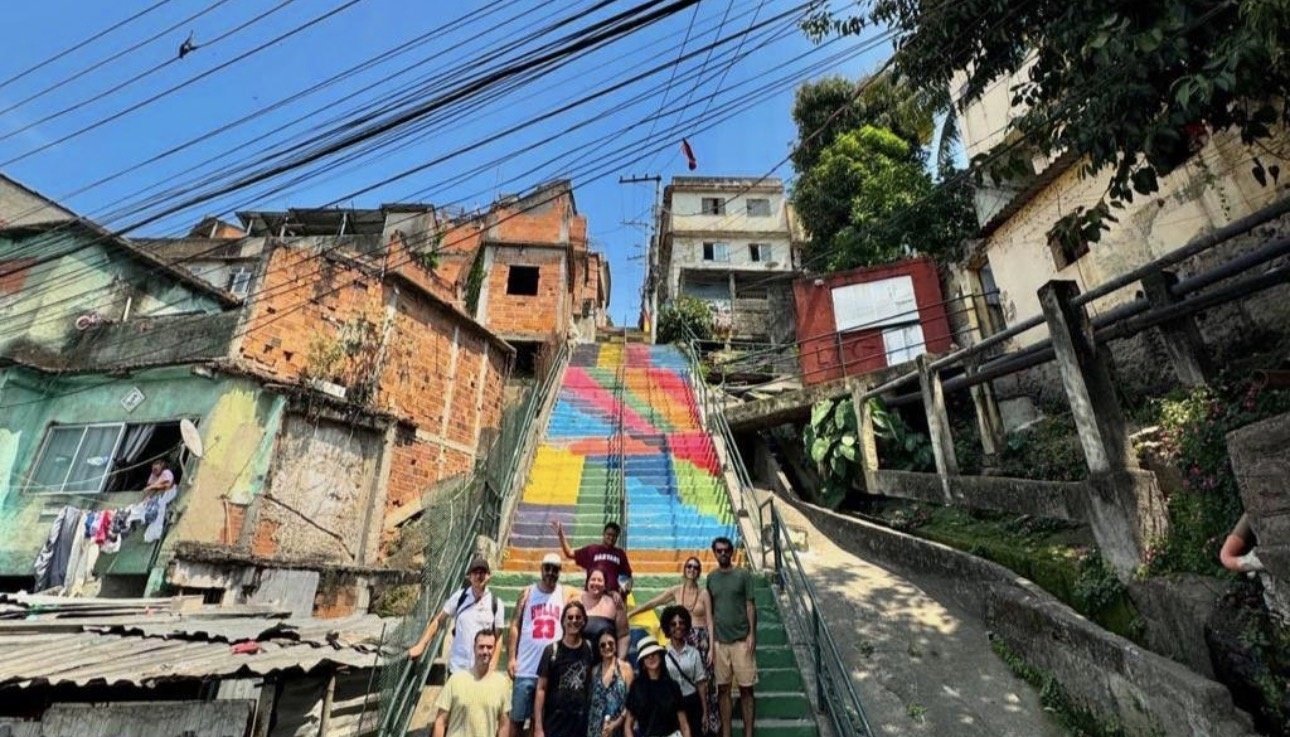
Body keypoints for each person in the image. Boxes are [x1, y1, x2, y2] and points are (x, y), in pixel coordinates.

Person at [628, 556, 716, 732]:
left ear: (699, 572)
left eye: (695, 567)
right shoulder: (676, 590)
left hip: (700, 641)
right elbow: (654, 602)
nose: (692, 569)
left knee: (703, 684)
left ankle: (706, 721)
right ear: (684, 569)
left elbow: (710, 621)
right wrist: (632, 613)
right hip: (679, 637)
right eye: (689, 566)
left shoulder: (704, 593)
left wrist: (712, 649)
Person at [409, 556, 506, 674]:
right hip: (458, 668)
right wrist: (421, 645)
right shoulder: (459, 597)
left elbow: (498, 637)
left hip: (482, 670)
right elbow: (438, 620)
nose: (478, 576)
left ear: (488, 576)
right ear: (469, 577)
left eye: (482, 572)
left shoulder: (496, 603)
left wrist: (492, 666)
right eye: (475, 572)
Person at [509, 553, 569, 737]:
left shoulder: (563, 593)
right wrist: (511, 657)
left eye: (555, 569)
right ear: (541, 569)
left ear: (560, 571)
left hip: (550, 670)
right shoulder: (528, 593)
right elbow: (514, 625)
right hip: (526, 667)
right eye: (547, 568)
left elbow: (591, 591)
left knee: (539, 721)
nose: (550, 572)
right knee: (517, 720)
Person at [703, 537, 755, 737]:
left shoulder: (743, 575)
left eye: (726, 550)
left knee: (746, 690)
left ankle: (748, 734)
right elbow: (710, 610)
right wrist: (711, 642)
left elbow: (750, 605)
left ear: (732, 552)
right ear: (714, 553)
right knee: (723, 690)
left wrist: (752, 634)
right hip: (720, 643)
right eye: (719, 551)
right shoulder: (711, 578)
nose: (723, 553)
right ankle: (726, 733)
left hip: (741, 641)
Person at [433, 630, 511, 737]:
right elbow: (440, 722)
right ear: (474, 648)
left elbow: (504, 725)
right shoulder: (456, 680)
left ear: (494, 650)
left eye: (489, 647)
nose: (485, 651)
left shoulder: (501, 683)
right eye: (481, 647)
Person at [534, 601, 596, 737]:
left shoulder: (590, 649)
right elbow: (541, 689)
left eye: (578, 617)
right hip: (555, 723)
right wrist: (538, 727)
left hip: (580, 724)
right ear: (563, 621)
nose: (574, 621)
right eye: (570, 617)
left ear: (584, 621)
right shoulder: (551, 651)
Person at [624, 637, 692, 737]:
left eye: (654, 654)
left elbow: (684, 725)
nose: (651, 657)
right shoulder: (636, 687)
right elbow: (628, 725)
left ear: (660, 656)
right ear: (643, 662)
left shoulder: (673, 686)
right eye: (646, 656)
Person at [660, 605, 709, 737]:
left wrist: (705, 712)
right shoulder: (662, 655)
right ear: (667, 628)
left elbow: (700, 683)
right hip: (671, 706)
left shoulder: (694, 653)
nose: (678, 627)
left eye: (681, 623)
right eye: (673, 624)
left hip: (692, 703)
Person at [553, 520, 633, 593]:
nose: (611, 538)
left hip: (611, 598)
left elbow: (627, 577)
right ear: (603, 534)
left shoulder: (620, 554)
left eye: (614, 536)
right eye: (609, 534)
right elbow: (569, 553)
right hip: (591, 596)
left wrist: (623, 591)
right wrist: (561, 535)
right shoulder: (592, 550)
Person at [586, 629, 633, 737]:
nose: (607, 647)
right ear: (598, 649)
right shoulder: (594, 671)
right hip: (594, 730)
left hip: (617, 729)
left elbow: (631, 702)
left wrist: (616, 723)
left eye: (610, 643)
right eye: (603, 645)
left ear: (616, 645)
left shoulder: (625, 668)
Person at [574, 569, 629, 658]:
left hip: (607, 661)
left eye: (600, 580)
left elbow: (623, 635)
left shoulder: (615, 603)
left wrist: (620, 660)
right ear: (587, 582)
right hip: (580, 660)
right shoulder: (577, 601)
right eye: (593, 579)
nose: (596, 583)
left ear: (605, 585)